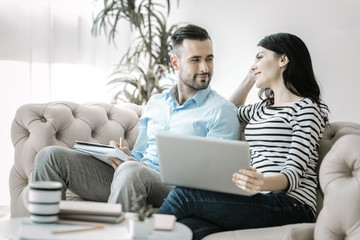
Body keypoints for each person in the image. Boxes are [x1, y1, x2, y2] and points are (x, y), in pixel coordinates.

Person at [32, 24, 240, 212]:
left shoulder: (221, 110)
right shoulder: (156, 102)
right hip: (134, 177)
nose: (205, 68)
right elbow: (140, 155)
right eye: (196, 60)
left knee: (133, 171)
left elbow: (215, 179)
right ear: (175, 63)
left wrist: (136, 167)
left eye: (209, 59)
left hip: (176, 191)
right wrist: (124, 156)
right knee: (49, 157)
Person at [157, 32, 329, 239]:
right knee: (186, 228)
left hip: (291, 205)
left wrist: (261, 183)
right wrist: (250, 78)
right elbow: (227, 110)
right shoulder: (262, 108)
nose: (254, 64)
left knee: (182, 195)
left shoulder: (306, 109)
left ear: (283, 59)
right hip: (258, 200)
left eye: (259, 57)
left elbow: (293, 173)